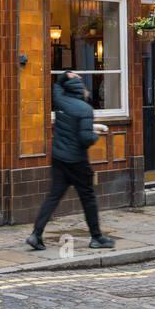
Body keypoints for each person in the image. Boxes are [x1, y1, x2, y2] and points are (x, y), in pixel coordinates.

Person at [27, 71, 116, 251]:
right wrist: (95, 135)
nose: (86, 90)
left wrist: (66, 75)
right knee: (88, 198)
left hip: (59, 158)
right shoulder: (85, 109)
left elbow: (56, 85)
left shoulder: (60, 101)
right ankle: (96, 237)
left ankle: (36, 234)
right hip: (77, 161)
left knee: (53, 197)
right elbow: (85, 139)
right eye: (84, 87)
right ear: (80, 90)